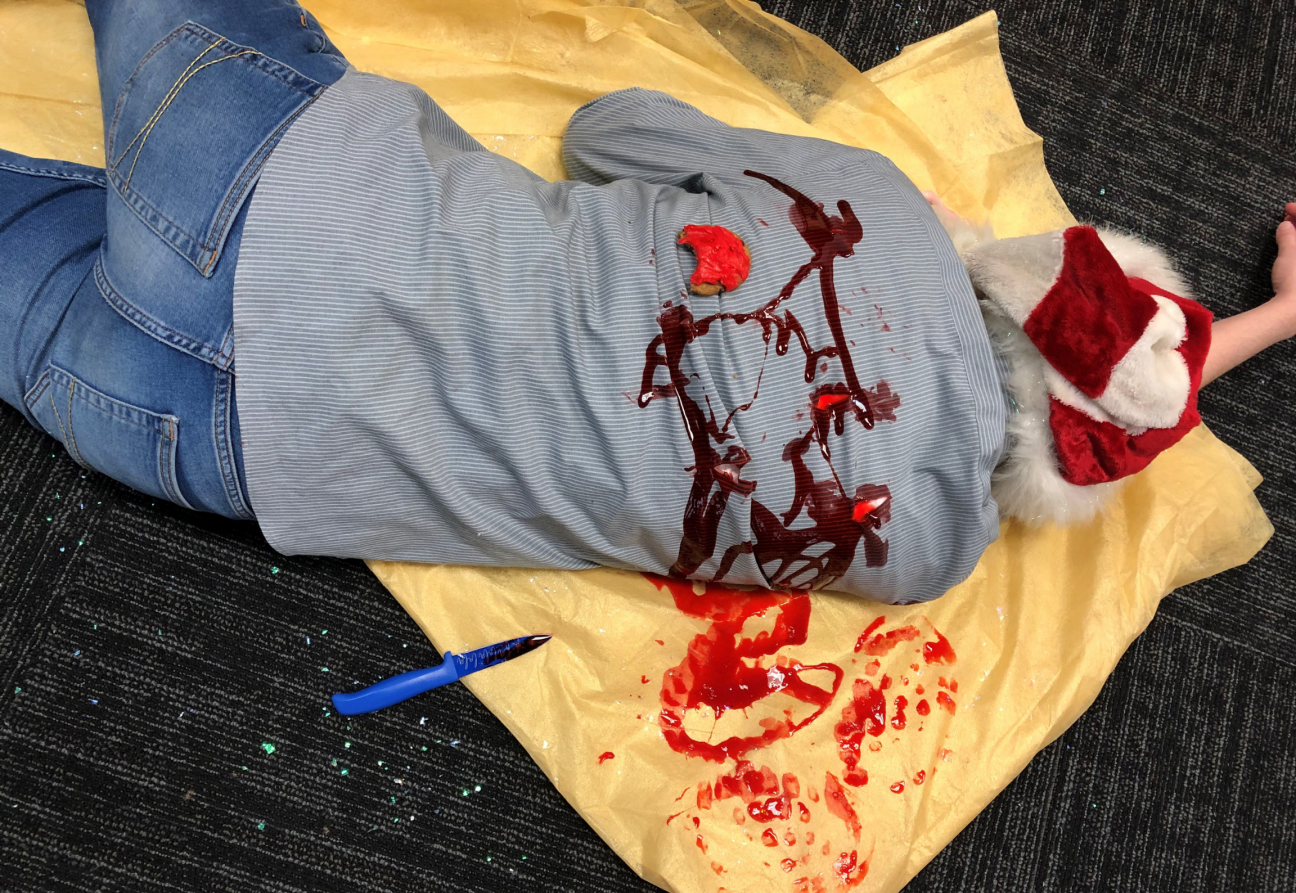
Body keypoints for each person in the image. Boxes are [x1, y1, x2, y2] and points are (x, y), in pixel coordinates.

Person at [1, 0, 1293, 605]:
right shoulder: (926, 563)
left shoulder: (880, 211)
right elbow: (1120, 399)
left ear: (1027, 268)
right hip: (205, 439)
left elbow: (607, 133)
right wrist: (1279, 322)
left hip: (285, 200)